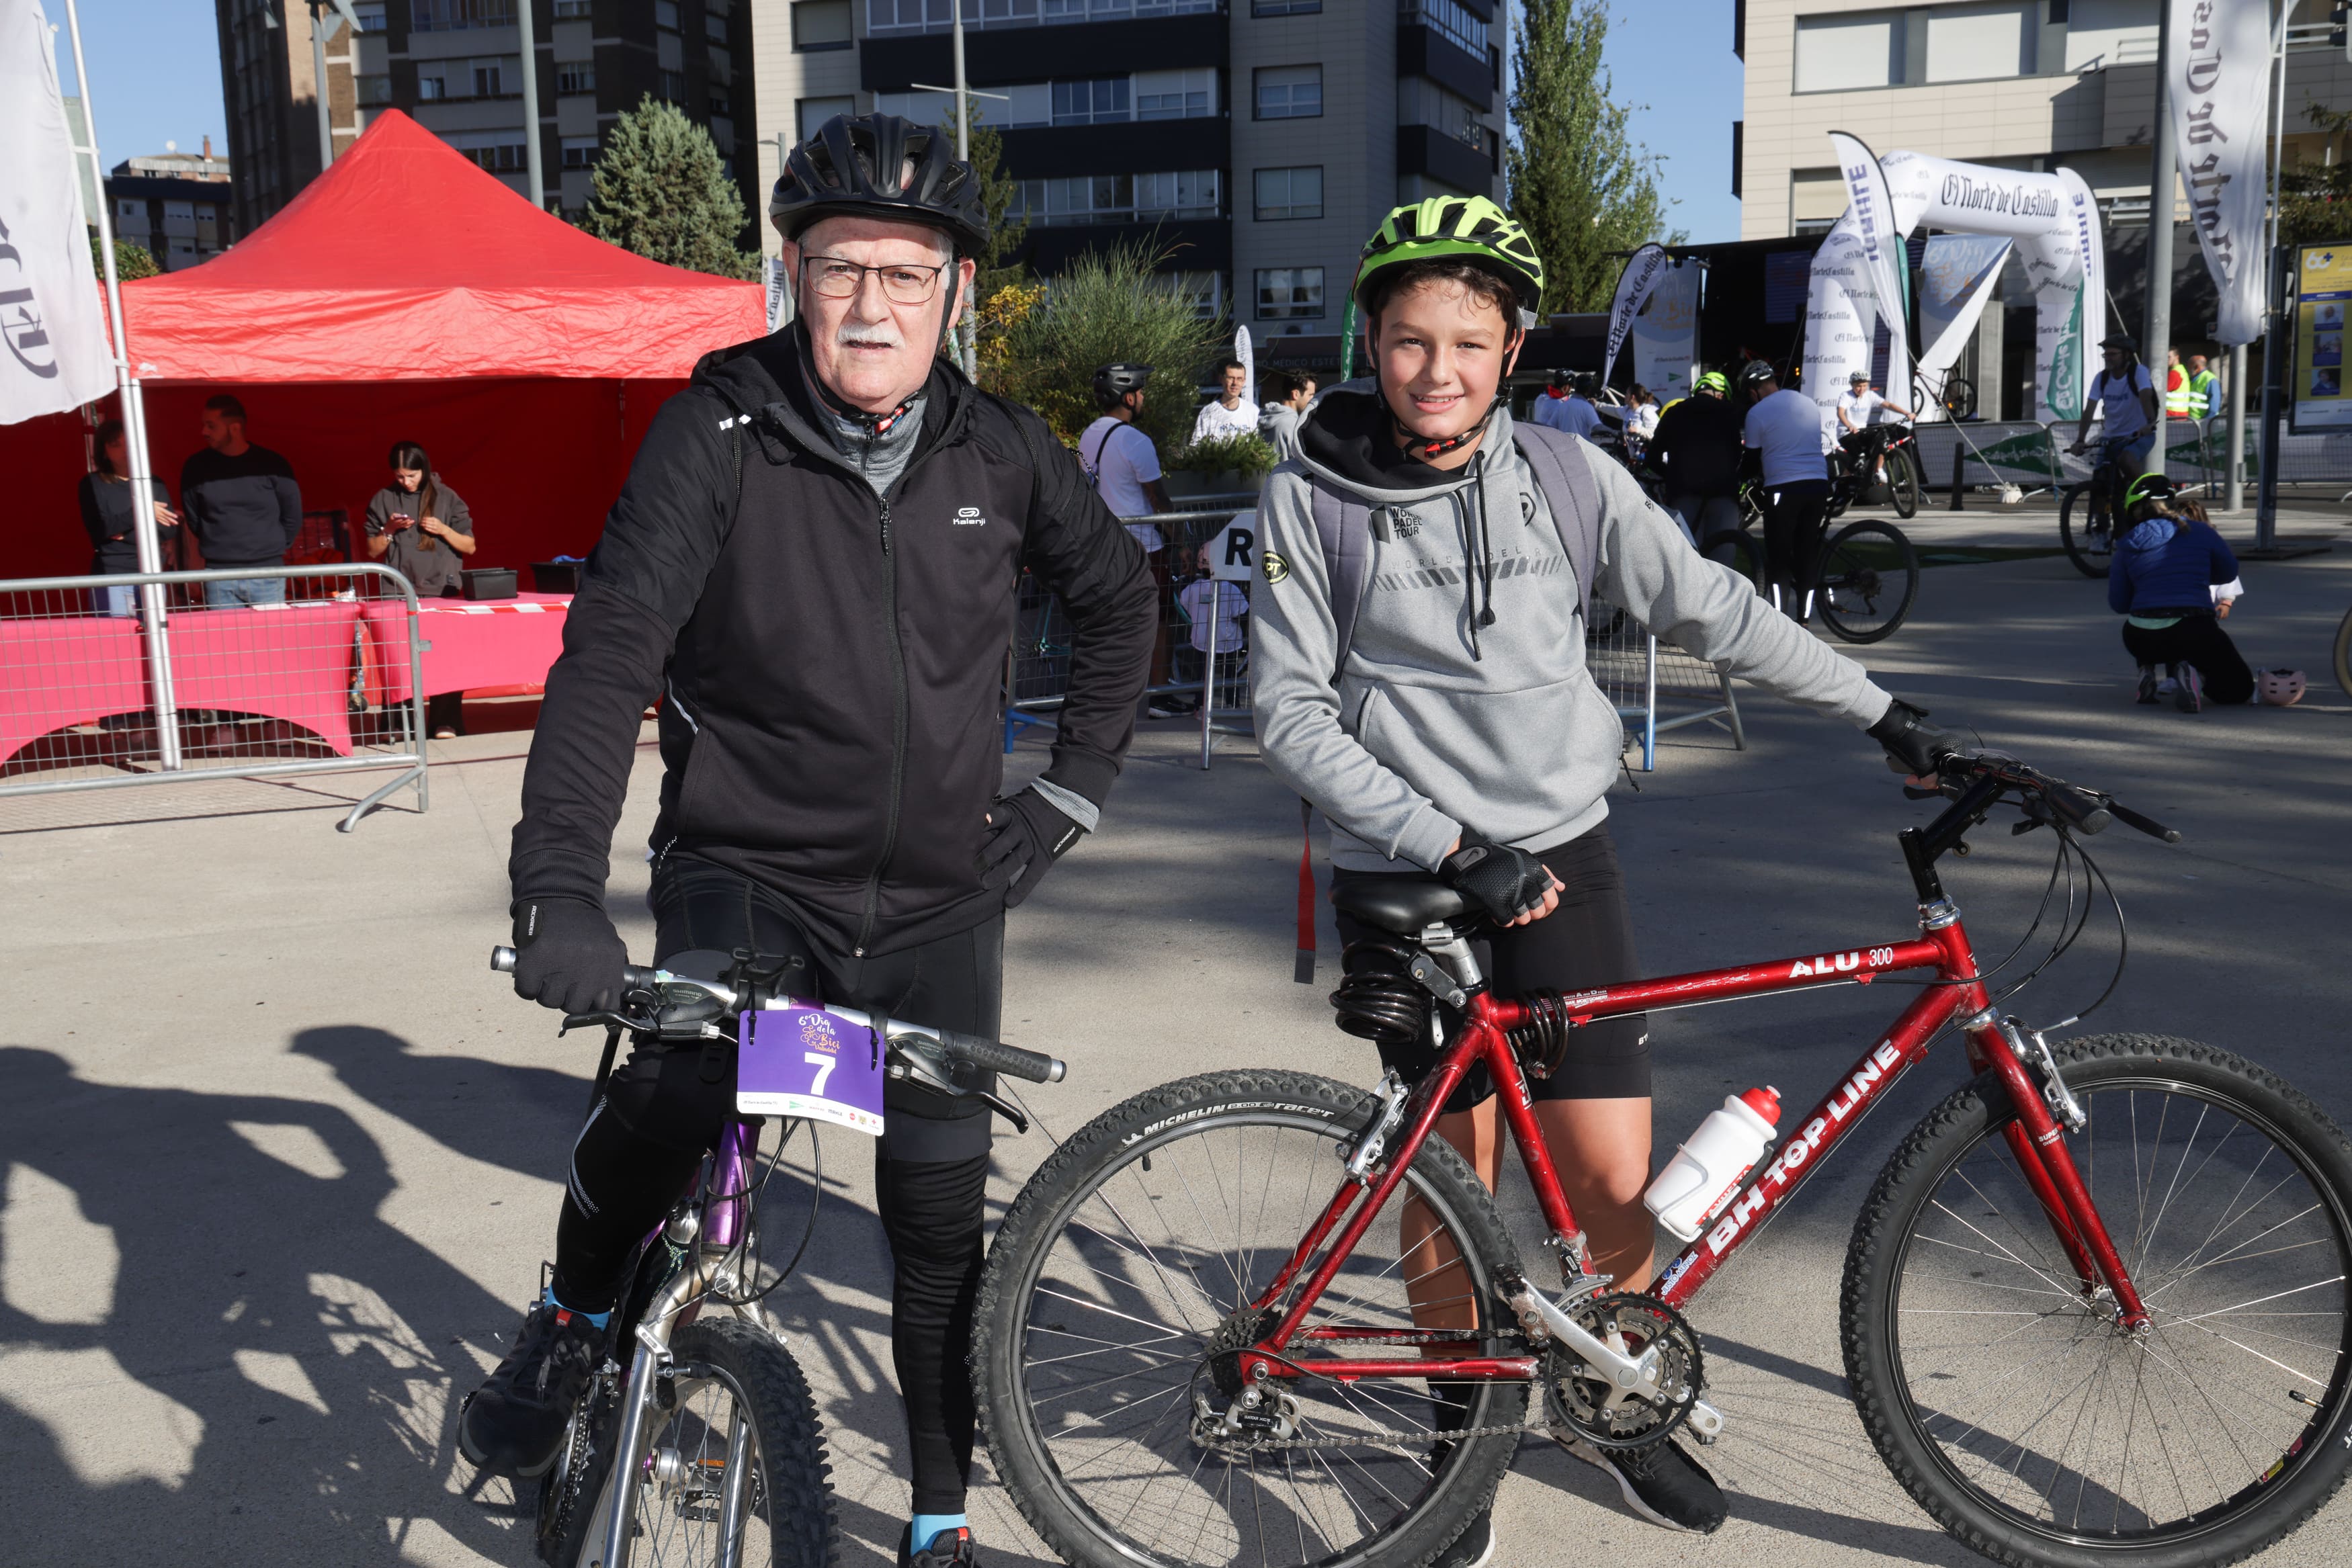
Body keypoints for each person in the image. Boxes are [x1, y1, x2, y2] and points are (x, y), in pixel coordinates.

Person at [465, 112, 1157, 1568]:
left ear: (957, 292)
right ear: (792, 274)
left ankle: (935, 1520)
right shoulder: (717, 427)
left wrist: (1072, 788)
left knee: (933, 1242)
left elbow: (1119, 604)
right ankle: (575, 1317)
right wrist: (558, 894)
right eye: (842, 269)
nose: (872, 306)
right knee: (670, 1090)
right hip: (751, 871)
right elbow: (609, 659)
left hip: (936, 905)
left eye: (908, 277)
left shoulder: (1005, 448)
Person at [1249, 191, 1960, 1557]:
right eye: (1407, 341)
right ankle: (1461, 1446)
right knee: (1447, 1182)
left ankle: (1609, 1405)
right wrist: (1455, 844)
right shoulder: (1310, 496)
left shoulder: (1569, 480)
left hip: (1564, 857)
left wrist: (1880, 712)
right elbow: (1288, 714)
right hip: (1419, 873)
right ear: (1371, 343)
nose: (1436, 369)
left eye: (1466, 340)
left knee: (1606, 1182)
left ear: (1512, 345)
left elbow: (1716, 608)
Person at [1081, 362, 1183, 705]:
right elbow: (1158, 500)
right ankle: (1161, 697)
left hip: (1104, 545)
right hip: (1143, 547)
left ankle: (1109, 696)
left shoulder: (1090, 434)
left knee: (1112, 622)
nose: (1143, 398)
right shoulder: (1135, 441)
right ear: (1128, 397)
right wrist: (1180, 543)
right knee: (1160, 620)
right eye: (1140, 392)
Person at [2109, 474, 2254, 711]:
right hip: (2193, 629)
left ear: (2132, 509)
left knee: (2150, 624)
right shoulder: (2201, 532)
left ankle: (2147, 669)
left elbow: (2119, 603)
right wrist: (2197, 579)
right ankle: (2188, 672)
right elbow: (2228, 572)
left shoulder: (2127, 545)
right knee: (2236, 690)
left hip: (2139, 638)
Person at [364, 441, 478, 736]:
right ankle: (396, 724)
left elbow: (470, 545)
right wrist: (388, 530)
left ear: (424, 470)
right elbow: (373, 551)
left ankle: (445, 721)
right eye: (401, 476)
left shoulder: (447, 497)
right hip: (398, 591)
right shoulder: (384, 499)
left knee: (446, 656)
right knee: (398, 657)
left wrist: (443, 530)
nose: (407, 482)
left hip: (443, 589)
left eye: (412, 476)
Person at [178, 394, 302, 607]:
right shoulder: (196, 467)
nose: (204, 432)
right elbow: (194, 518)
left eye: (211, 426)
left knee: (270, 638)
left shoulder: (273, 464)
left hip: (267, 572)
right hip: (218, 574)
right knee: (224, 640)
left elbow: (292, 515)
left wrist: (269, 550)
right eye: (204, 425)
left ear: (234, 428)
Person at [1740, 359, 1833, 617]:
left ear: (1753, 391)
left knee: (1779, 556)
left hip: (1783, 487)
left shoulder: (1757, 413)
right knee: (1806, 552)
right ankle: (1804, 620)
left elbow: (1750, 462)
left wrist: (1738, 476)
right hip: (1817, 484)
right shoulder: (1806, 403)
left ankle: (1780, 621)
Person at [78, 418, 179, 617]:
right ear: (104, 452)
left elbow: (168, 529)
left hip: (152, 574)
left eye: (129, 444)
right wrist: (144, 512)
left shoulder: (154, 483)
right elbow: (101, 530)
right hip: (113, 576)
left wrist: (123, 533)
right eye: (116, 445)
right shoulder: (93, 484)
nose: (125, 451)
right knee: (117, 641)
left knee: (155, 634)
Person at [1646, 369, 1743, 548]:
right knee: (1723, 562)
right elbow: (1737, 456)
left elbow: (1652, 458)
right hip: (1724, 495)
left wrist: (1673, 475)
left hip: (1684, 494)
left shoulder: (1674, 413)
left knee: (1687, 561)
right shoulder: (1728, 413)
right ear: (1721, 394)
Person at [1167, 540, 1248, 713]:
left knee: (1201, 676)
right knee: (1229, 675)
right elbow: (1242, 613)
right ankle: (1232, 705)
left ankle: (1200, 706)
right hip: (1228, 642)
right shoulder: (1231, 589)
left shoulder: (1192, 589)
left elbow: (1184, 605)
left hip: (1201, 640)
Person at [2071, 333, 2160, 480]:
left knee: (2126, 460)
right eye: (2105, 354)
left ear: (2126, 355)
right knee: (2100, 480)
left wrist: (2150, 423)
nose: (2108, 358)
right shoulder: (2101, 378)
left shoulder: (2139, 372)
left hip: (2138, 436)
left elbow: (2146, 396)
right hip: (2111, 438)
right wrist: (2080, 440)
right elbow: (2089, 410)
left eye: (2112, 354)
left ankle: (2146, 494)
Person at [1190, 357, 1258, 443]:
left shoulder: (1253, 411)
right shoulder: (1208, 412)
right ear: (1221, 379)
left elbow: (1259, 446)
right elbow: (1197, 447)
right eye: (1231, 378)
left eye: (1239, 379)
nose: (1235, 383)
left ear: (1244, 381)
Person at [1261, 370, 1318, 462]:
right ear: (1295, 394)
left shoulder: (1263, 417)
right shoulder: (1294, 426)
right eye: (1310, 395)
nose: (1313, 400)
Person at [2183, 352, 2218, 420]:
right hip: (2193, 421)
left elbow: (2214, 404)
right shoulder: (2194, 379)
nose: (2188, 369)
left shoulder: (2210, 379)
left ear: (2197, 367)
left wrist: (2207, 421)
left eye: (2189, 367)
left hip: (2203, 422)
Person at [2162, 346, 2189, 418]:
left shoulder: (2174, 373)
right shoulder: (2182, 370)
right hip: (2182, 412)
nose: (2167, 360)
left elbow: (2161, 392)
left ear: (2177, 357)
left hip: (2172, 413)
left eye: (2169, 357)